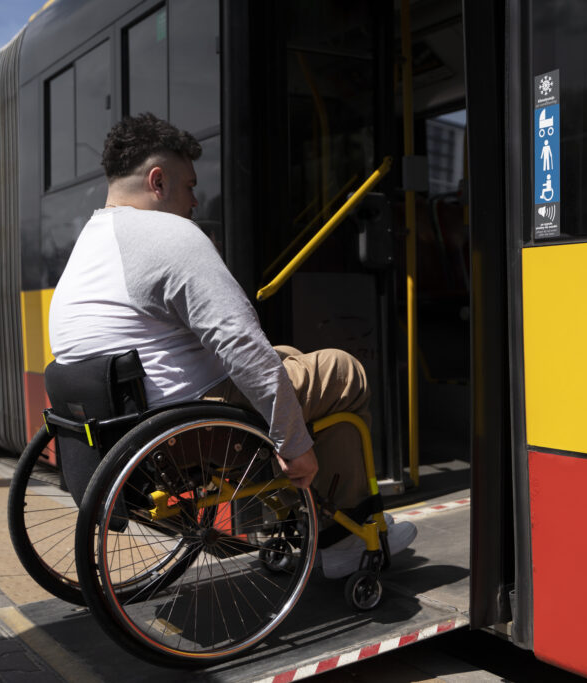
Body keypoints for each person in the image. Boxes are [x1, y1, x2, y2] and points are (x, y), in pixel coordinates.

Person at [48, 113, 414, 578]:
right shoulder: (170, 235)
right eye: (189, 186)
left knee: (290, 359)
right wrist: (293, 441)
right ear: (157, 181)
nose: (195, 201)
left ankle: (310, 512)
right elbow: (240, 343)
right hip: (193, 427)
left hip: (130, 428)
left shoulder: (89, 244)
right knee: (341, 372)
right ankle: (344, 539)